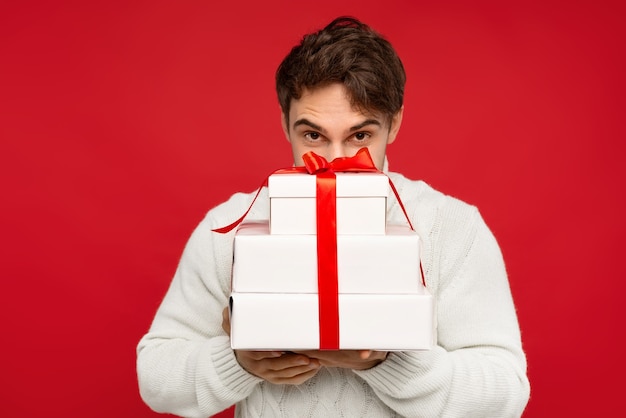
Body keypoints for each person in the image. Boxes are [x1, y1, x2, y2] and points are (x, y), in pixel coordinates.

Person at [136, 16, 530, 417]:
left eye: (360, 136)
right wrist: (238, 363)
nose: (335, 162)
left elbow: (506, 393)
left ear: (394, 124)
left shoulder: (454, 229)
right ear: (285, 124)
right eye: (313, 136)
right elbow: (156, 379)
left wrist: (384, 362)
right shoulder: (230, 226)